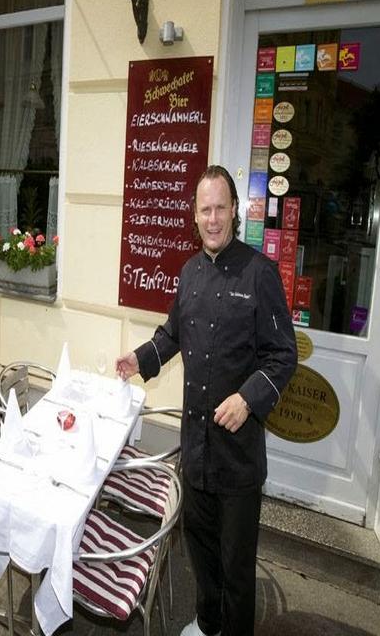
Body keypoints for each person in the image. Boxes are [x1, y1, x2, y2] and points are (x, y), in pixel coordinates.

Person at [116, 165, 297, 636]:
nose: (213, 218)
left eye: (220, 208)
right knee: (199, 549)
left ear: (235, 211)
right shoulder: (190, 273)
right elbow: (173, 334)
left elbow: (283, 355)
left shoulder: (260, 274)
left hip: (237, 457)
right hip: (195, 447)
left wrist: (248, 398)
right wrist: (139, 359)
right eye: (205, 210)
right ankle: (208, 622)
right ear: (194, 216)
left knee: (237, 567)